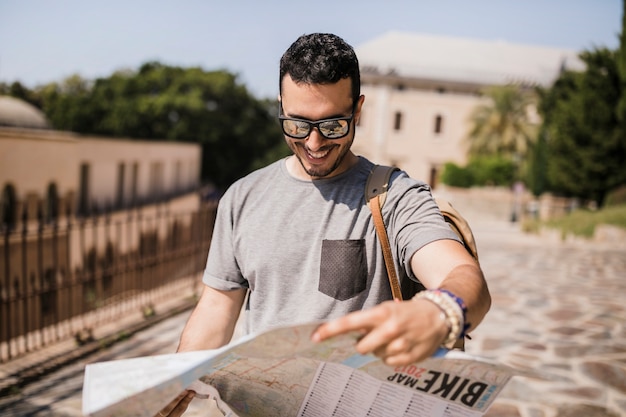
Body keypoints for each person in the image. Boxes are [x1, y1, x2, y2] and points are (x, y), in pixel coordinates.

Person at [158, 32, 491, 417]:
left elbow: (464, 276)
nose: (314, 143)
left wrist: (440, 311)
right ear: (281, 106)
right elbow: (217, 307)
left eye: (333, 125)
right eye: (297, 124)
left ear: (358, 110)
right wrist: (171, 386)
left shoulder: (395, 196)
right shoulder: (242, 197)